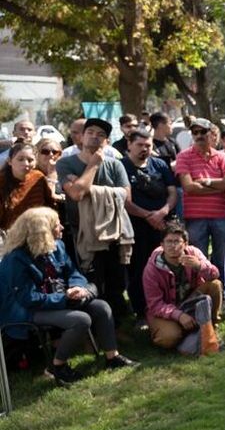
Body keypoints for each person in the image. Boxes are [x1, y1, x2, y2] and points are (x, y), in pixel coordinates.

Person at [0, 207, 138, 385]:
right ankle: (58, 367)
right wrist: (65, 298)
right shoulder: (16, 259)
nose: (62, 228)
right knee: (80, 320)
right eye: (57, 225)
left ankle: (113, 357)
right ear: (43, 232)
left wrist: (77, 288)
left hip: (59, 298)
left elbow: (73, 273)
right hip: (28, 309)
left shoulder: (57, 246)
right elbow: (28, 298)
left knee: (102, 307)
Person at [55, 117, 132, 322]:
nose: (95, 137)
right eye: (91, 132)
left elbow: (126, 196)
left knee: (116, 283)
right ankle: (93, 330)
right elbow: (77, 194)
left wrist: (88, 188)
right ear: (82, 135)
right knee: (90, 283)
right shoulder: (65, 163)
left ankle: (116, 328)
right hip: (82, 234)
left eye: (101, 135)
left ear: (106, 140)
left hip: (113, 232)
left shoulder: (116, 165)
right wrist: (94, 165)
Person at [121, 129, 178, 320]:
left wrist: (162, 213)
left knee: (168, 264)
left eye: (148, 145)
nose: (144, 149)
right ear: (129, 144)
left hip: (163, 225)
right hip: (137, 227)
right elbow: (126, 202)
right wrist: (149, 216)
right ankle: (142, 312)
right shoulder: (122, 167)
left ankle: (170, 307)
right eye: (140, 145)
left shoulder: (160, 164)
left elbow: (172, 193)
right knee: (139, 269)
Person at [142, 221, 224, 351]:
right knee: (169, 338)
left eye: (177, 241)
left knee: (215, 285)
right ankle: (184, 331)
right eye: (169, 242)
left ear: (185, 243)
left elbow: (215, 274)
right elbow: (155, 304)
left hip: (190, 301)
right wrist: (178, 315)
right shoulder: (152, 269)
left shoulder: (193, 253)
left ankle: (211, 326)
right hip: (165, 311)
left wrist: (199, 266)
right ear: (162, 245)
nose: (173, 246)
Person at [174, 117, 225, 283]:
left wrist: (205, 182)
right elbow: (188, 187)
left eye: (203, 132)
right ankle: (201, 290)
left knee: (223, 257)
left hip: (221, 216)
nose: (199, 135)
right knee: (197, 259)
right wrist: (218, 185)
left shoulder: (222, 157)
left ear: (212, 134)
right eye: (195, 132)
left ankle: (223, 289)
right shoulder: (184, 157)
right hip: (195, 217)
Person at [0, 141, 56, 231]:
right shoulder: (2, 182)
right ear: (10, 161)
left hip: (37, 230)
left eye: (30, 160)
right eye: (20, 159)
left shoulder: (38, 178)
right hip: (10, 235)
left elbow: (49, 204)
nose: (26, 164)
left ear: (35, 162)